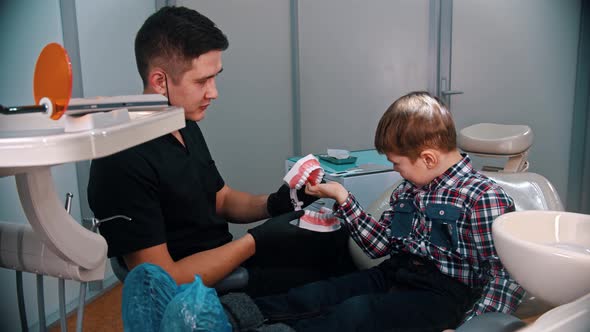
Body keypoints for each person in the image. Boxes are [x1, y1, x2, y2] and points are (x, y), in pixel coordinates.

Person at [87, 6, 353, 297]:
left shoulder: (182, 122)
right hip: (201, 293)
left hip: (227, 262)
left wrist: (277, 203)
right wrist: (255, 241)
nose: (213, 92)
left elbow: (221, 198)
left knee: (338, 244)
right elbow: (163, 280)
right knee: (337, 286)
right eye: (201, 81)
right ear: (160, 81)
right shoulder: (122, 159)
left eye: (215, 78)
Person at [253, 91, 525, 331]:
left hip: (444, 296)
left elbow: (507, 277)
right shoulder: (407, 190)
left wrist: (471, 327)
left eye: (397, 163)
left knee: (354, 314)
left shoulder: (483, 198)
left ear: (428, 158)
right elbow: (379, 246)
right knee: (317, 295)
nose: (396, 169)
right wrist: (343, 198)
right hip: (396, 272)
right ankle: (236, 315)